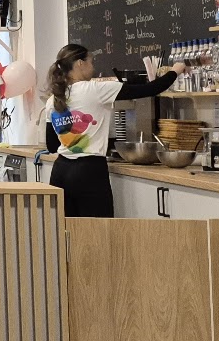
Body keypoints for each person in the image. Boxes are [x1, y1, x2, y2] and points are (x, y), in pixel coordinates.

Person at [44, 43, 185, 217]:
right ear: (80, 63)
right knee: (99, 230)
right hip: (89, 172)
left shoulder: (52, 100)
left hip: (60, 172)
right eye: (91, 62)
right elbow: (151, 89)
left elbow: (51, 145)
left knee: (67, 230)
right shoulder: (96, 90)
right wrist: (176, 70)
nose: (93, 67)